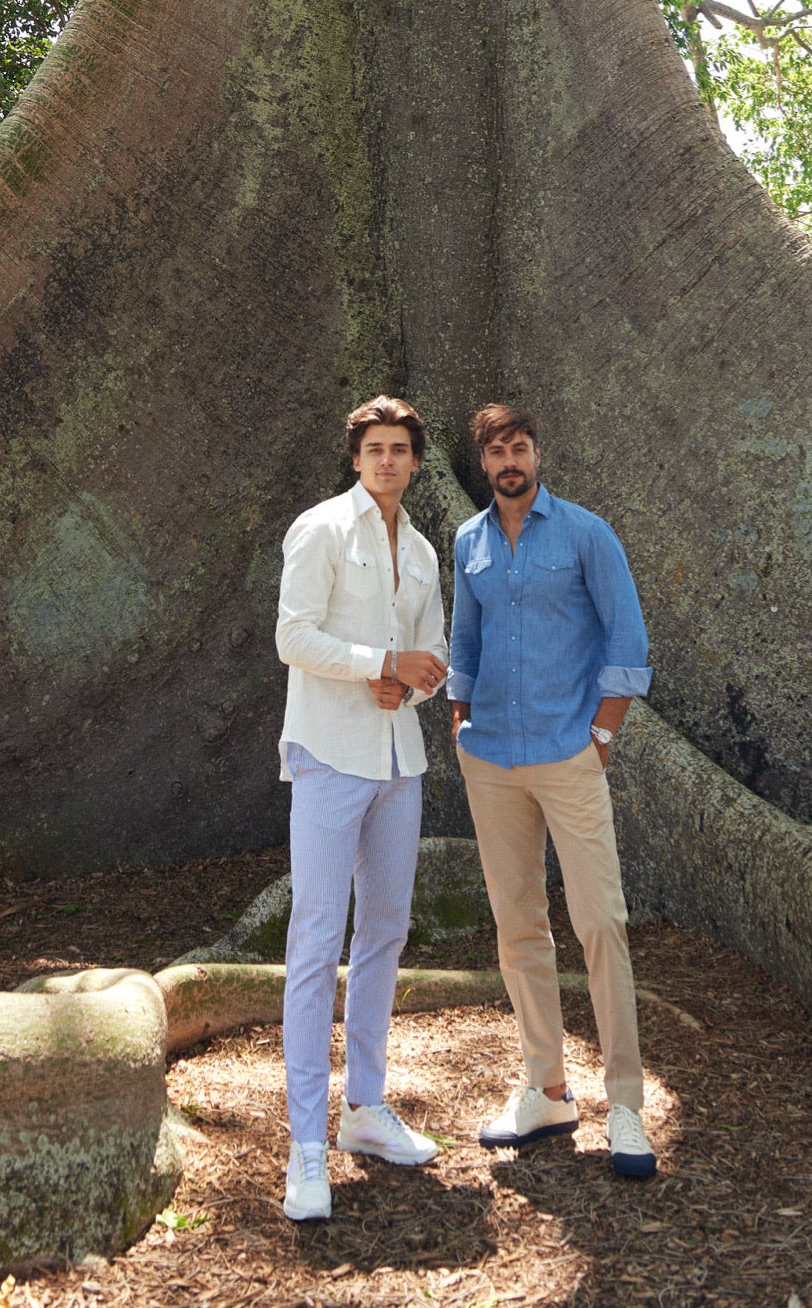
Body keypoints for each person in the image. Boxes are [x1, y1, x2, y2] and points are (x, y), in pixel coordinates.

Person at [448, 402, 658, 1179]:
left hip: (569, 754)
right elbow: (463, 640)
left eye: (521, 447)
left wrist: (600, 736)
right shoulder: (468, 541)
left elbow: (626, 638)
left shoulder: (584, 533)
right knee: (517, 926)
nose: (511, 461)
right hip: (491, 758)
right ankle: (545, 1087)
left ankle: (625, 1105)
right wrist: (461, 720)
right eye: (497, 450)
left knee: (600, 921)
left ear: (537, 455)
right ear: (483, 462)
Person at [274, 395, 450, 1223]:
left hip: (396, 759)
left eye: (399, 449)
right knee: (315, 938)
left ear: (415, 461)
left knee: (384, 929)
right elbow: (291, 636)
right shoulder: (319, 529)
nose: (386, 460)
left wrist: (410, 680)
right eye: (373, 448)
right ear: (355, 459)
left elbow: (434, 656)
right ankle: (306, 1145)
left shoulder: (418, 549)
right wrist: (376, 660)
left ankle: (365, 1112)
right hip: (326, 755)